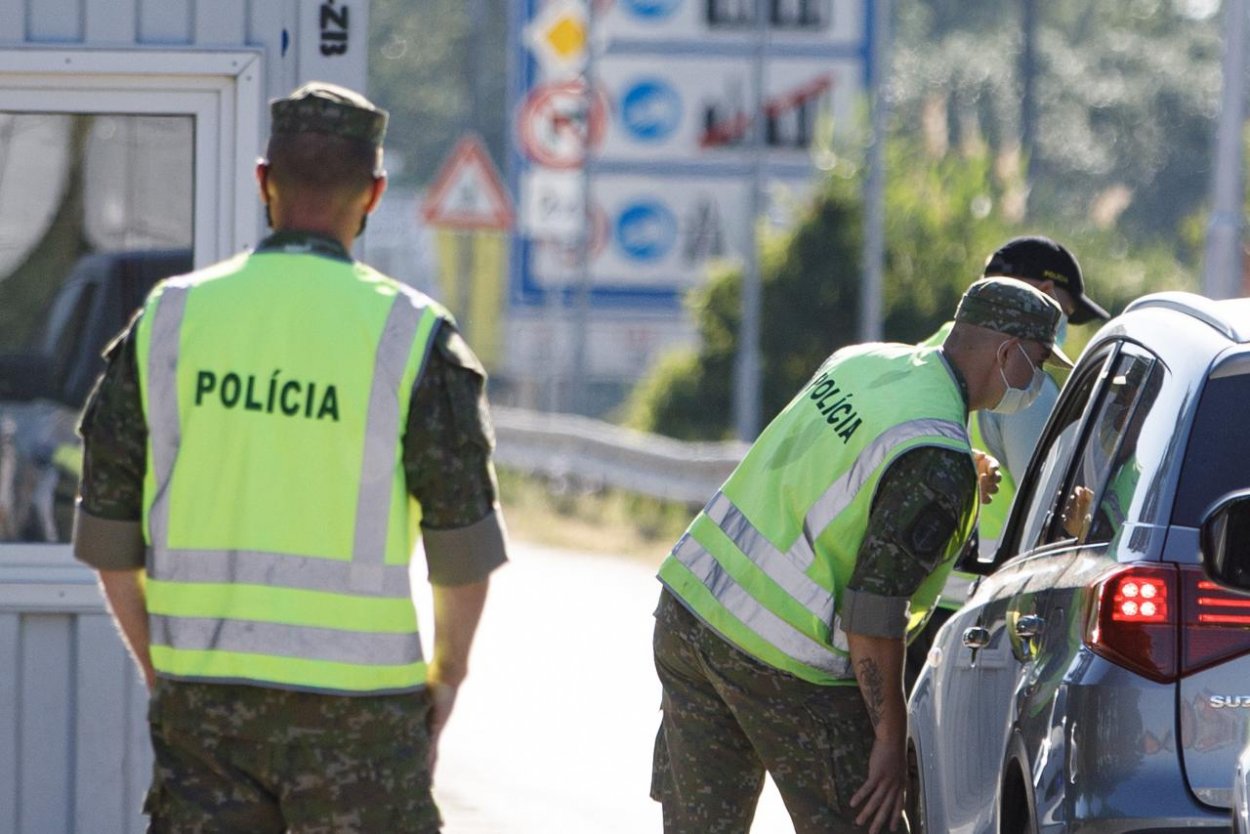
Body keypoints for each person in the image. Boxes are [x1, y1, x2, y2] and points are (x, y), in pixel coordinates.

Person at [71, 82, 508, 833]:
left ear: (263, 182)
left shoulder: (169, 319)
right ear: (373, 193)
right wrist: (446, 681)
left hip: (207, 713)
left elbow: (108, 536)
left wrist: (164, 670)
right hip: (364, 720)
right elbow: (461, 555)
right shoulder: (413, 337)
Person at [650, 277, 1071, 834]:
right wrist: (890, 742)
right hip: (783, 658)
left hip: (691, 615)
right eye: (1038, 363)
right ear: (1007, 351)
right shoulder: (938, 457)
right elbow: (872, 615)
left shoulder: (867, 362)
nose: (1036, 383)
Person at [905, 236, 1110, 688]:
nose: (1063, 330)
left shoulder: (936, 348)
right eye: (1068, 315)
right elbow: (1054, 506)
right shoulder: (1024, 379)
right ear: (1049, 294)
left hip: (916, 592)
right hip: (978, 610)